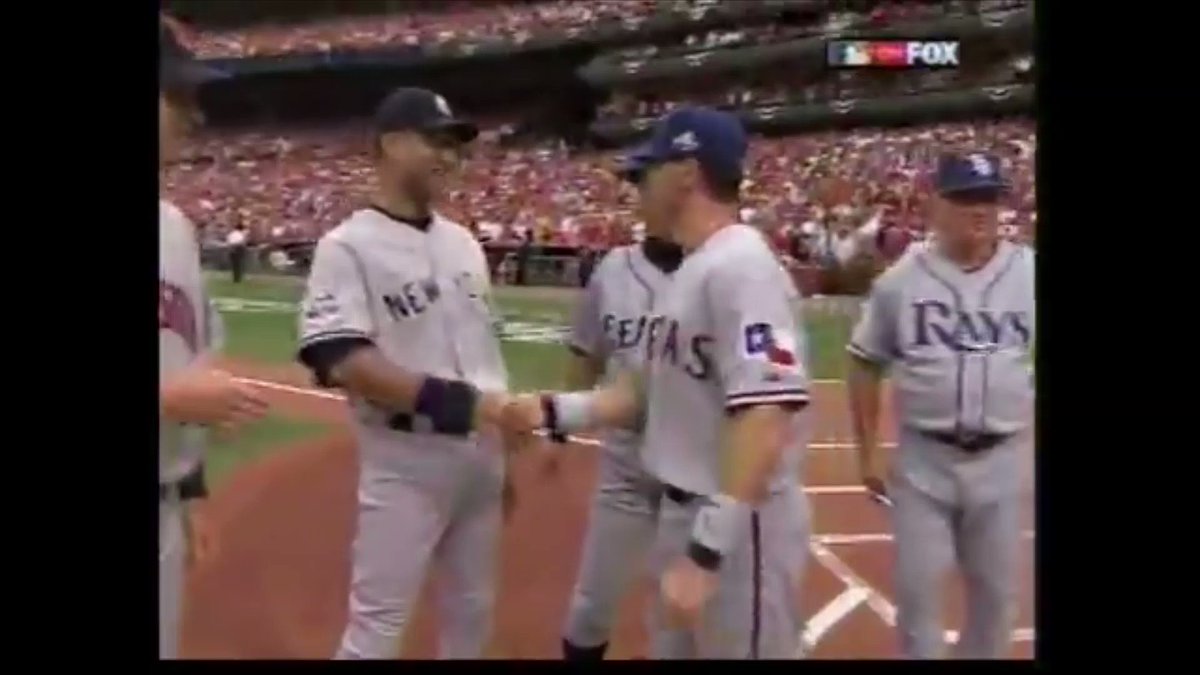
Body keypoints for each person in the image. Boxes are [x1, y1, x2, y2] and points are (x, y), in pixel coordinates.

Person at [503, 107, 811, 659]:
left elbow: (766, 416)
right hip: (681, 509)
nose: (638, 186)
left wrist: (707, 551)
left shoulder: (745, 268)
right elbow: (644, 394)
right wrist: (550, 411)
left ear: (687, 175)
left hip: (737, 528)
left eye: (649, 171)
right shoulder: (696, 268)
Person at [295, 87, 514, 660]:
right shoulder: (346, 247)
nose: (449, 156)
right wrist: (466, 404)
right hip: (405, 461)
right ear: (391, 144)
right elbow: (346, 361)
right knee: (377, 628)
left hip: (481, 456)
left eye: (455, 145)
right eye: (434, 140)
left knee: (472, 615)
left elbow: (483, 352)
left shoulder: (465, 243)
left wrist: (498, 445)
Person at [846, 152, 1034, 659]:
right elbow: (864, 362)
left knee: (997, 602)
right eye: (967, 199)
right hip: (924, 462)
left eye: (990, 199)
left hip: (1002, 459)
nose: (981, 210)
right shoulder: (901, 282)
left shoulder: (1029, 272)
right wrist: (867, 452)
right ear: (937, 205)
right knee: (918, 600)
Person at [158, 17, 269, 659]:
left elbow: (192, 355)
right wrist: (169, 400)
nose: (194, 115)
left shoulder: (175, 225)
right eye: (177, 96)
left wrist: (191, 491)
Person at [556, 154, 684, 660]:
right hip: (626, 462)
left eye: (643, 180)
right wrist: (561, 426)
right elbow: (585, 352)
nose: (635, 192)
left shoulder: (722, 268)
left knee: (679, 618)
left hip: (694, 468)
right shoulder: (612, 269)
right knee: (591, 607)